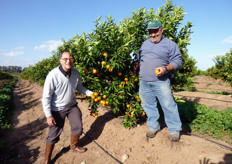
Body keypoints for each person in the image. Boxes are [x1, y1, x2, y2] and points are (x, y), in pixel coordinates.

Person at [42, 50, 93, 164]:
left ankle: (73, 146)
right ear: (60, 60)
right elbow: (46, 97)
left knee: (78, 127)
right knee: (53, 135)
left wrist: (91, 93)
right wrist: (49, 115)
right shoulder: (53, 75)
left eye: (70, 58)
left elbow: (80, 88)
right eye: (65, 59)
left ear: (73, 60)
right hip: (57, 109)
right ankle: (47, 160)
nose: (68, 61)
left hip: (72, 106)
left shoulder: (75, 73)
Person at [137, 20, 182, 142]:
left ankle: (174, 130)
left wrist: (166, 68)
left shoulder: (170, 44)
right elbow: (139, 57)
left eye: (155, 31)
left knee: (168, 105)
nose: (152, 34)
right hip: (144, 82)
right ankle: (153, 126)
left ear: (161, 29)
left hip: (161, 81)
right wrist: (136, 64)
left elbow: (177, 61)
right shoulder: (145, 44)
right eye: (150, 32)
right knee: (148, 105)